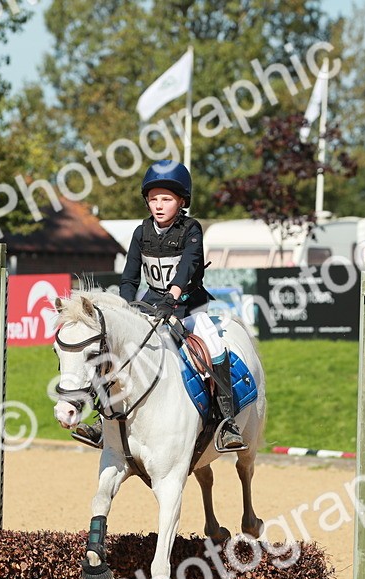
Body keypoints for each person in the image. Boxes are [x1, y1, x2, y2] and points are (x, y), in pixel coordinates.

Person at [71, 159, 247, 453]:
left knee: (213, 345)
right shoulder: (141, 232)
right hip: (152, 304)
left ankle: (227, 422)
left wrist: (173, 297)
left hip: (190, 304)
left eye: (166, 198)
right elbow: (129, 276)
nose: (159, 204)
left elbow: (188, 267)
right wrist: (126, 309)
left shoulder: (192, 229)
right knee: (118, 350)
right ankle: (104, 423)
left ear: (182, 201)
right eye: (153, 199)